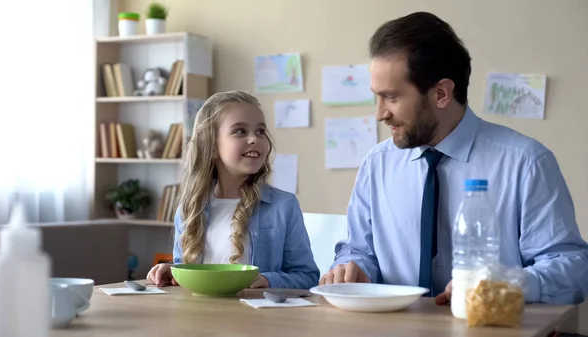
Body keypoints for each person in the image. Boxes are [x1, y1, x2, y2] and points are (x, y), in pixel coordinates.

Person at [320, 11, 588, 306]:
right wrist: (353, 268)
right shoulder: (377, 164)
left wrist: (510, 284)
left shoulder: (526, 163)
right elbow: (359, 250)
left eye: (392, 97)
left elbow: (573, 268)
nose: (380, 113)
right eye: (377, 97)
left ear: (442, 93)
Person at [147, 90, 319, 289]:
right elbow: (185, 269)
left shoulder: (284, 206)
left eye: (260, 131)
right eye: (240, 131)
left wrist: (267, 280)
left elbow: (307, 276)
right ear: (211, 146)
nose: (254, 139)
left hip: (257, 318)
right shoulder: (189, 209)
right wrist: (174, 271)